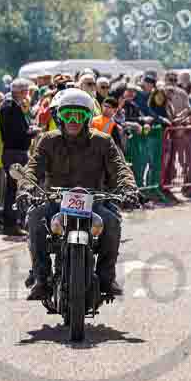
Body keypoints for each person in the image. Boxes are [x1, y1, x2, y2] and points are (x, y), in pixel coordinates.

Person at [17, 88, 139, 299]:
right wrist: (25, 188)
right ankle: (41, 277)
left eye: (79, 114)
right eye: (68, 114)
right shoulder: (47, 140)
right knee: (35, 216)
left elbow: (120, 168)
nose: (73, 120)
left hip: (94, 202)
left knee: (112, 222)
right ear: (58, 116)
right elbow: (32, 167)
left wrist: (129, 188)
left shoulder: (103, 141)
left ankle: (106, 277)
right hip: (55, 200)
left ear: (88, 118)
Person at [0, 78, 35, 236]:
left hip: (16, 152)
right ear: (20, 91)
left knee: (17, 188)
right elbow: (15, 133)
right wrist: (31, 133)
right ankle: (10, 224)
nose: (28, 94)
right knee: (12, 189)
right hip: (14, 152)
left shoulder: (13, 106)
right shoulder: (10, 107)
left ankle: (16, 222)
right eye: (26, 91)